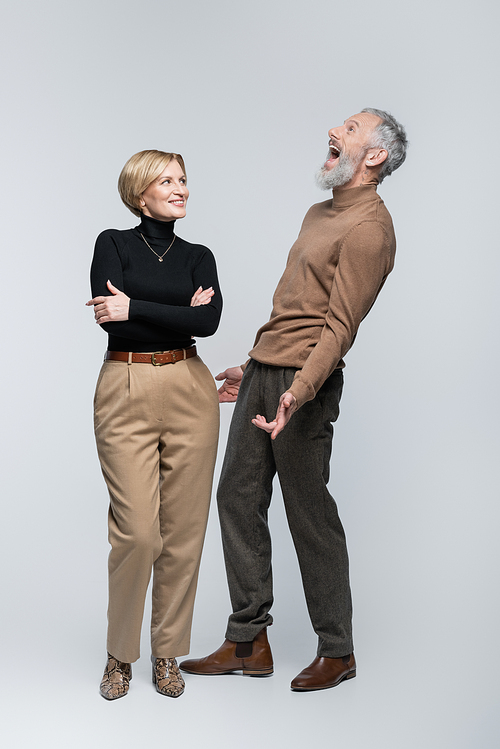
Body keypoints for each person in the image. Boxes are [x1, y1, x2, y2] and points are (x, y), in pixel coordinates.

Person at [180, 109, 408, 691]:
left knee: (309, 514)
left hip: (305, 384)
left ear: (374, 156)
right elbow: (295, 305)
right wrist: (254, 367)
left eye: (351, 129)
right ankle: (248, 641)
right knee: (236, 496)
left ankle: (339, 650)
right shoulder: (319, 213)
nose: (336, 130)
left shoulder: (370, 229)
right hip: (266, 370)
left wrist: (296, 394)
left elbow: (338, 327)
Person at [86, 150, 222, 700]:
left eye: (183, 179)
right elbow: (106, 316)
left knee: (184, 534)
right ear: (141, 193)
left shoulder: (199, 254)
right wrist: (172, 309)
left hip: (191, 384)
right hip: (126, 385)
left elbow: (208, 322)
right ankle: (120, 654)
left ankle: (167, 654)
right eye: (167, 180)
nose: (180, 188)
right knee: (139, 532)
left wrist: (136, 307)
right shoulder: (111, 243)